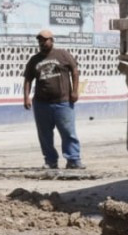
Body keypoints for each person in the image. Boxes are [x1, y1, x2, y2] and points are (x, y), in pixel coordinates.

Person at [22, 29, 84, 169]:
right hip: (42, 104)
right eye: (40, 41)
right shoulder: (34, 60)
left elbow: (74, 71)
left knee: (68, 132)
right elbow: (28, 79)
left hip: (63, 102)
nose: (42, 43)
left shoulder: (62, 54)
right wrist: (26, 97)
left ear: (52, 40)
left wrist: (75, 91)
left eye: (45, 40)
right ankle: (50, 161)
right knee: (45, 135)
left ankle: (73, 159)